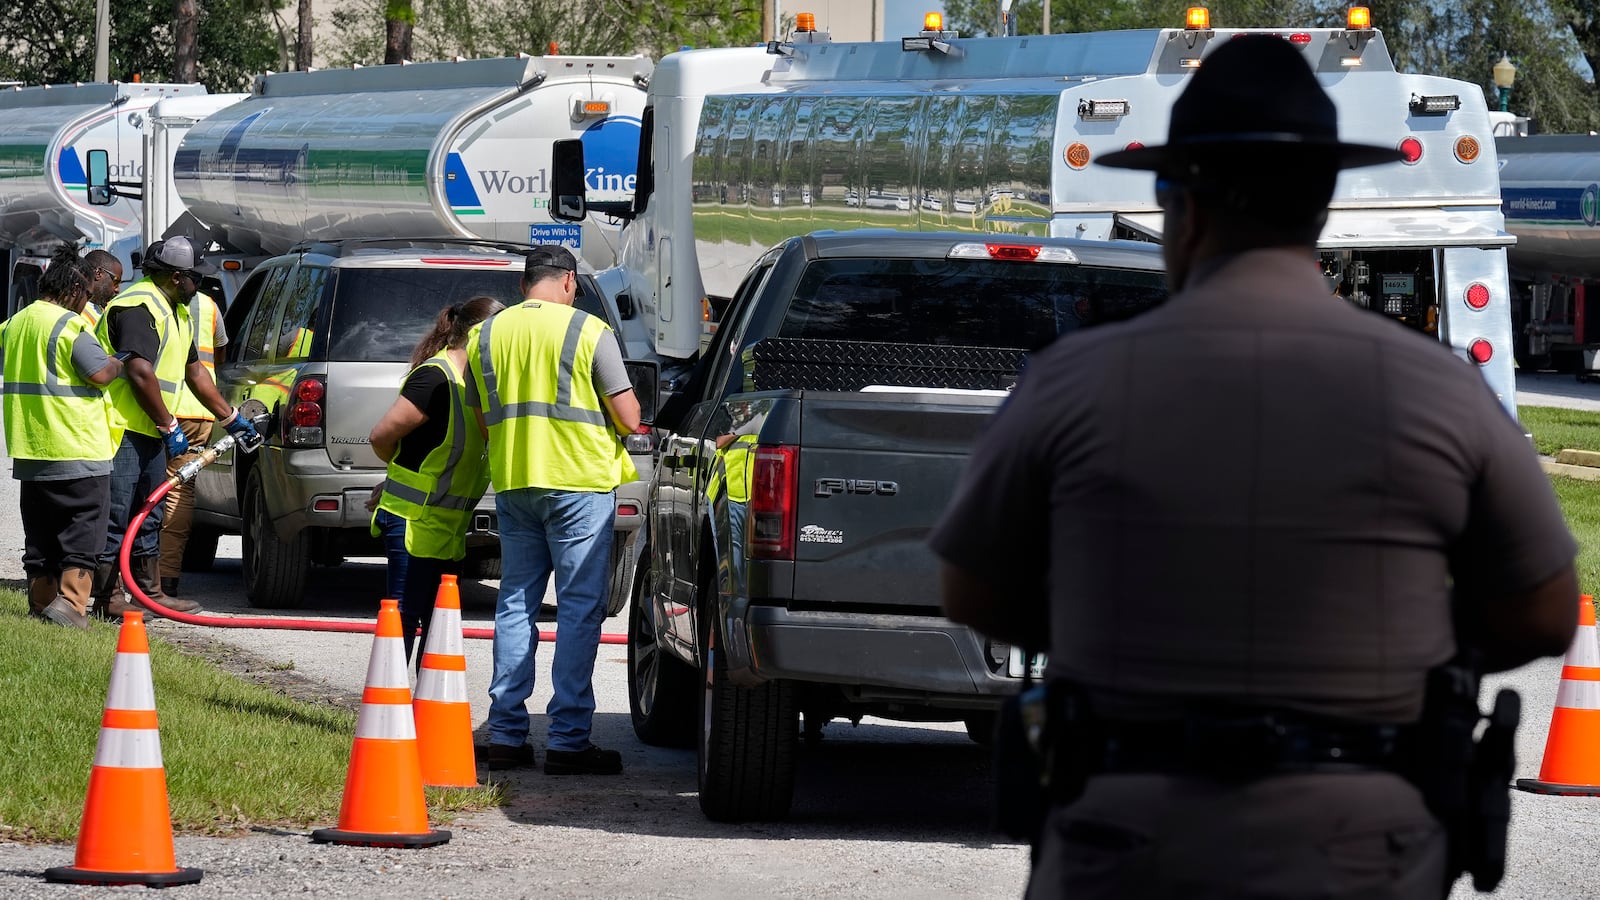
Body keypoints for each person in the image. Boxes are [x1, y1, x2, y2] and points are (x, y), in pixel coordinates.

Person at [930, 36, 1580, 900]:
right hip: (1358, 852)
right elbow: (1542, 614)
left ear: (1184, 206)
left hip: (1128, 846)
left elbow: (972, 591)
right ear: (1318, 210)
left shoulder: (1073, 384)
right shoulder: (1441, 393)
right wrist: (1401, 647)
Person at [468, 244, 640, 774]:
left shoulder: (485, 335)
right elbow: (630, 417)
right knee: (579, 609)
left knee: (516, 603)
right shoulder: (589, 331)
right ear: (568, 282)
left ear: (525, 285)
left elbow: (481, 417)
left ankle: (505, 735)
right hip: (580, 483)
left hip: (516, 481)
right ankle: (567, 740)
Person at [92, 236, 260, 619]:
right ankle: (109, 597)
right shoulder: (138, 305)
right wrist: (169, 424)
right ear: (177, 277)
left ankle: (150, 593)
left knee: (149, 513)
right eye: (195, 278)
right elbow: (138, 370)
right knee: (118, 515)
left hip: (147, 430)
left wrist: (230, 417)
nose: (199, 285)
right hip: (121, 430)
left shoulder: (176, 309)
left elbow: (195, 371)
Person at [369, 295, 504, 666]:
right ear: (477, 336)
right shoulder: (435, 377)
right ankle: (387, 716)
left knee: (439, 625)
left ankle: (421, 714)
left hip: (446, 530)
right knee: (404, 621)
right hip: (411, 524)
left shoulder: (474, 386)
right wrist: (397, 472)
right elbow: (382, 436)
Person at [0, 244, 123, 629]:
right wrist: (118, 362)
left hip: (32, 448)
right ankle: (71, 605)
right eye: (85, 294)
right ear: (73, 289)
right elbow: (99, 372)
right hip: (77, 446)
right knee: (83, 531)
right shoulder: (69, 326)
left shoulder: (14, 323)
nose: (86, 302)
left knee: (40, 535)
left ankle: (40, 604)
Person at [158, 286, 228, 598]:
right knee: (180, 492)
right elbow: (220, 354)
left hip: (161, 407)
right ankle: (167, 576)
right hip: (201, 410)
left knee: (146, 490)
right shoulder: (209, 305)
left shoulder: (151, 300)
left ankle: (141, 577)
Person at [79, 248, 123, 327]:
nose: (117, 289)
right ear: (98, 273)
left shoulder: (100, 308)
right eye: (115, 282)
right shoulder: (76, 311)